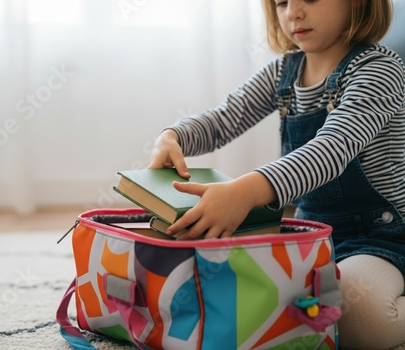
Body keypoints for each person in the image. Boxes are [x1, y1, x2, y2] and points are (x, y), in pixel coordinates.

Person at [148, 0, 405, 348]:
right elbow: (226, 117)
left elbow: (330, 150)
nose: (293, 12)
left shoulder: (380, 71)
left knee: (360, 315)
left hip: (383, 236)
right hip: (311, 235)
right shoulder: (284, 71)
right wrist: (174, 135)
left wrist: (246, 191)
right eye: (282, 2)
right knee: (246, 290)